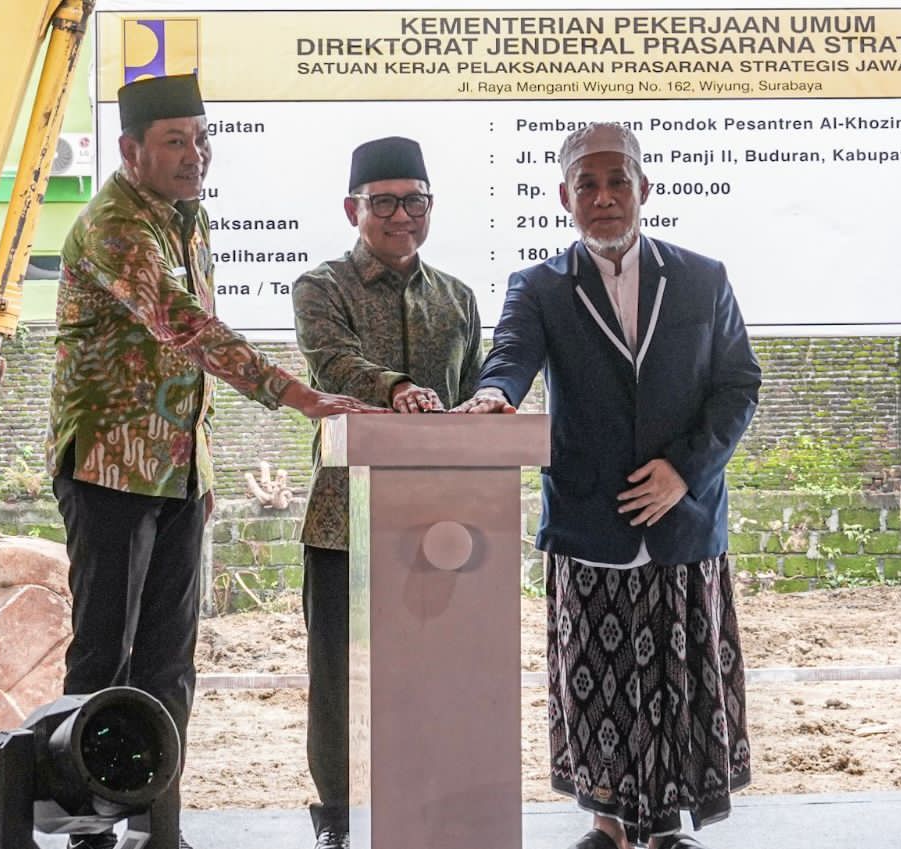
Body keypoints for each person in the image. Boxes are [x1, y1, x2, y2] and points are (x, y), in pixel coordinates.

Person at [45, 73, 376, 849]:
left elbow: (186, 368)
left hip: (179, 472)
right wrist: (294, 392)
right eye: (175, 141)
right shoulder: (114, 225)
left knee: (170, 659)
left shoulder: (187, 220)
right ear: (130, 150)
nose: (195, 154)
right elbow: (185, 326)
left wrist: (204, 469)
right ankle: (90, 828)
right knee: (104, 653)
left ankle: (157, 823)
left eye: (202, 138)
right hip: (109, 469)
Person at [455, 122, 761, 849]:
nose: (602, 197)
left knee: (679, 676)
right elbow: (509, 355)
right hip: (589, 517)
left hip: (683, 515)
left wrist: (685, 470)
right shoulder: (538, 286)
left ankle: (665, 828)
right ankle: (607, 822)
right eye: (586, 184)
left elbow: (738, 384)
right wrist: (493, 395)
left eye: (616, 181)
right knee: (595, 673)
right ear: (564, 197)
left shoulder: (703, 277)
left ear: (643, 188)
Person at [291, 136, 484, 849]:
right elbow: (332, 363)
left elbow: (475, 390)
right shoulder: (321, 287)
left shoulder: (458, 298)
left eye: (414, 201)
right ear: (354, 209)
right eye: (384, 203)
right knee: (338, 675)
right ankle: (339, 817)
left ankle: (431, 803)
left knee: (436, 670)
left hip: (440, 522)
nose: (401, 216)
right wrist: (396, 387)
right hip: (344, 517)